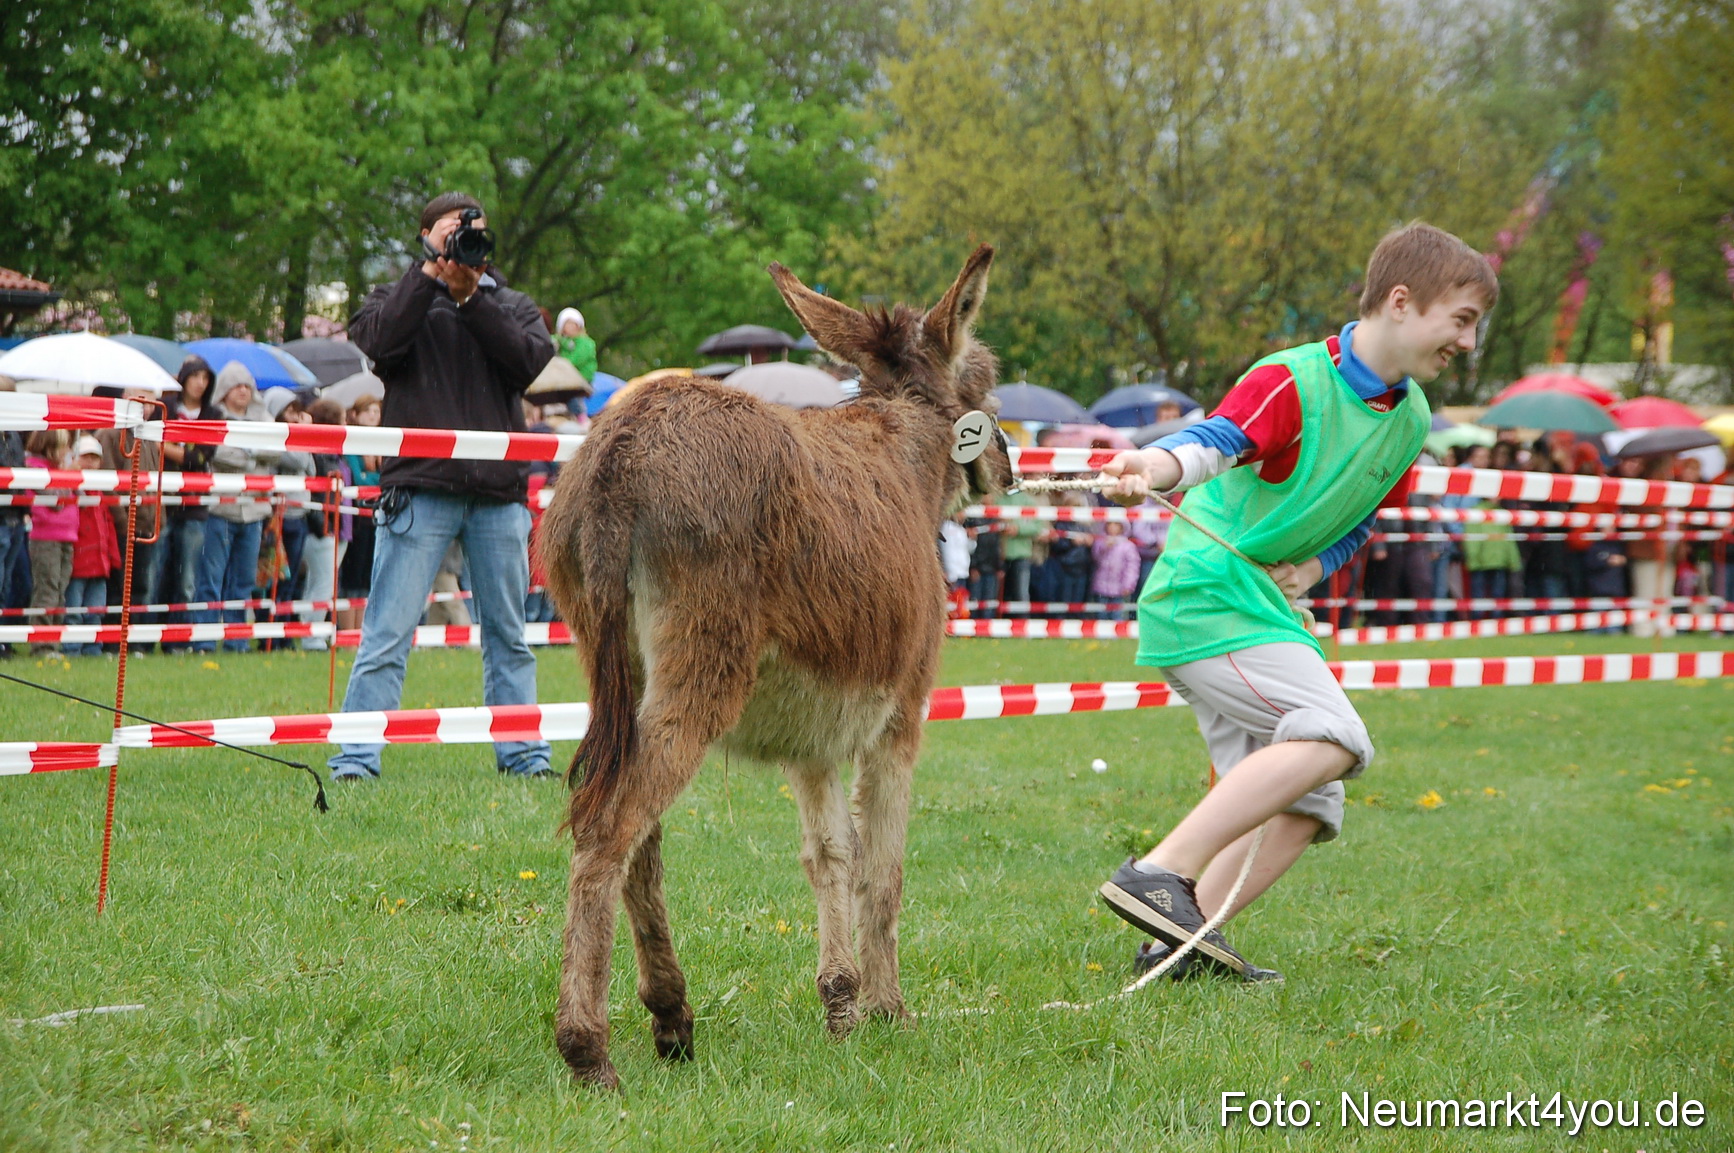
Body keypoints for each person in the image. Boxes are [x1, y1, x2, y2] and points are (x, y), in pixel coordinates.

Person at [1092, 222, 1497, 981]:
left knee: (1316, 798)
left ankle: (1177, 944)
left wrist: (1318, 563)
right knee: (1336, 735)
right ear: (1402, 303)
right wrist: (1151, 462)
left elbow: (1365, 514)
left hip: (1259, 608)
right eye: (1464, 320)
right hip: (1207, 599)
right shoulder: (1290, 378)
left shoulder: (1410, 421)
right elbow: (1213, 441)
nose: (1469, 344)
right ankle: (1161, 870)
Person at [330, 191, 555, 781]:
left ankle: (525, 757)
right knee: (387, 631)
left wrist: (472, 299)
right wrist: (430, 278)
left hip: (497, 497)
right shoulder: (397, 297)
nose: (466, 237)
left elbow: (528, 363)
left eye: (475, 229)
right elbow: (378, 344)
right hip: (420, 492)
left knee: (510, 634)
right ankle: (355, 760)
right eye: (455, 228)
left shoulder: (510, 303)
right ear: (426, 232)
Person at [191, 362, 280, 654]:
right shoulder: (214, 417)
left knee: (243, 582)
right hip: (221, 510)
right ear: (225, 390)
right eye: (236, 385)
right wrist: (254, 454)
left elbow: (277, 448)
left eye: (247, 385)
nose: (243, 390)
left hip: (255, 511)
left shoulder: (263, 416)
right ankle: (204, 640)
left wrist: (247, 452)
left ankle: (236, 640)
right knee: (211, 580)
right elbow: (217, 453)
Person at [155, 356, 216, 650]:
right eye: (195, 376)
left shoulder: (212, 414)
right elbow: (150, 445)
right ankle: (145, 640)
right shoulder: (163, 408)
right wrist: (178, 452)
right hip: (161, 503)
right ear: (184, 378)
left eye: (205, 378)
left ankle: (177, 642)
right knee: (155, 574)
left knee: (187, 580)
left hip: (194, 507)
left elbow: (200, 459)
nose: (200, 383)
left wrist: (165, 447)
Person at [66, 435, 121, 656]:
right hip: (78, 563)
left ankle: (92, 649)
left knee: (95, 610)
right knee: (74, 610)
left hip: (99, 563)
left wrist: (112, 558)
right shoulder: (72, 490)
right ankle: (71, 648)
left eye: (94, 458)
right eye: (85, 458)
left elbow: (107, 529)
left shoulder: (100, 493)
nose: (90, 463)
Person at [24, 430, 77, 656]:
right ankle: (42, 644)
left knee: (60, 593)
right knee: (47, 590)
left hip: (67, 536)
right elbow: (56, 501)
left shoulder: (58, 469)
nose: (66, 452)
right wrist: (68, 476)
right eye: (63, 446)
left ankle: (54, 641)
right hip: (46, 538)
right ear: (49, 447)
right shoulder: (34, 468)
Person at [1090, 521, 1141, 619]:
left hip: (1120, 588)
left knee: (1117, 616)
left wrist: (1128, 584)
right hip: (1101, 586)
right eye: (1110, 524)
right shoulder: (1100, 542)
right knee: (1101, 615)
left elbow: (1132, 566)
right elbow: (1095, 558)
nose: (1112, 527)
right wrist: (1104, 547)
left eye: (1116, 524)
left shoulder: (1128, 546)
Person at [553, 307, 598, 382]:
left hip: (582, 379)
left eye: (574, 324)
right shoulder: (560, 341)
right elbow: (546, 341)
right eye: (568, 324)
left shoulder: (586, 343)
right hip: (565, 377)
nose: (572, 326)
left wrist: (559, 366)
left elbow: (576, 359)